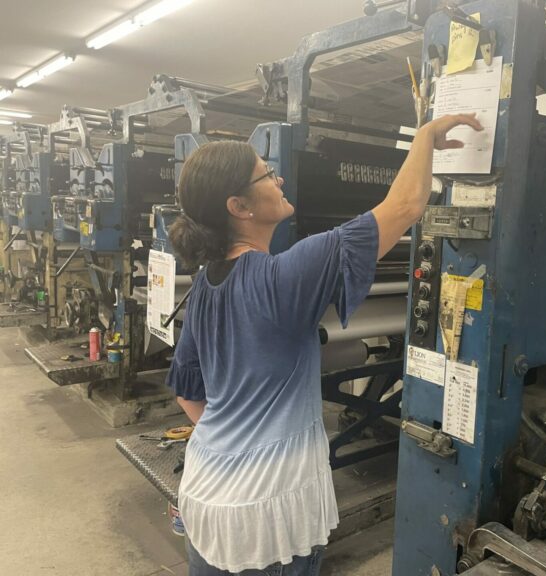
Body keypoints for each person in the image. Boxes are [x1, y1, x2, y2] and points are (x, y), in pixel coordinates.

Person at [166, 113, 482, 576]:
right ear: (240, 206)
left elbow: (187, 393)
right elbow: (406, 206)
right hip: (267, 513)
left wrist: (238, 440)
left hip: (205, 499)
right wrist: (424, 136)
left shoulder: (204, 289)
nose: (279, 179)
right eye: (266, 174)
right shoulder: (284, 277)